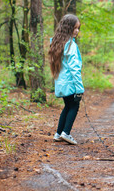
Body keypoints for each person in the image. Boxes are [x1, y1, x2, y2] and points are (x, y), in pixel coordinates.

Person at [49, 14, 84, 145]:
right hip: (70, 83)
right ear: (68, 28)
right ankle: (66, 133)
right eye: (75, 28)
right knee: (74, 105)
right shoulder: (71, 46)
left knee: (67, 106)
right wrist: (80, 89)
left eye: (78, 28)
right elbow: (74, 69)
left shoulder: (57, 43)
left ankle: (58, 133)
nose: (77, 31)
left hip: (61, 82)